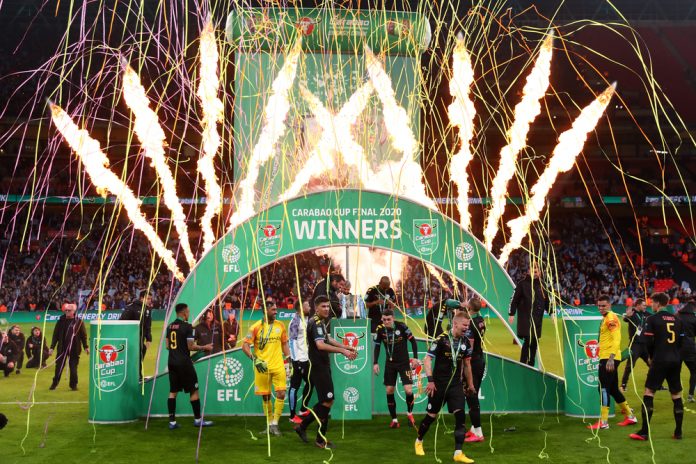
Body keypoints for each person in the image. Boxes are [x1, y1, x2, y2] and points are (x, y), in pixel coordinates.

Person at [294, 295, 357, 449]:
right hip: (318, 366)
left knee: (327, 401)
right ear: (316, 308)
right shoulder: (315, 322)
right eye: (323, 306)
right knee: (327, 401)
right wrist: (343, 351)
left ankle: (307, 430)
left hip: (321, 365)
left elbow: (327, 339)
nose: (327, 309)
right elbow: (321, 345)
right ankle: (317, 437)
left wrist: (346, 346)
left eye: (328, 306)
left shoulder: (319, 321)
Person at [414, 311, 476, 463]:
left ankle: (458, 453)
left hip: (455, 385)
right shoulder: (441, 340)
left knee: (461, 416)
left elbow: (467, 365)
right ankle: (419, 441)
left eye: (468, 325)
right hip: (438, 385)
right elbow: (427, 360)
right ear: (455, 324)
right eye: (464, 325)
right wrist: (430, 380)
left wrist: (471, 385)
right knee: (430, 417)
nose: (466, 328)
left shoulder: (466, 342)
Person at [630, 292, 685, 440]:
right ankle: (678, 432)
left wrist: (651, 357)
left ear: (658, 303)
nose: (651, 305)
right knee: (676, 395)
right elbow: (681, 343)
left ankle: (644, 432)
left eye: (652, 303)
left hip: (660, 360)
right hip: (675, 360)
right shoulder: (678, 320)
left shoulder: (652, 319)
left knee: (649, 392)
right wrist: (675, 355)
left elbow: (648, 342)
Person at [242, 298, 290, 436]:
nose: (276, 311)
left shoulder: (280, 325)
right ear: (265, 311)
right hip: (262, 367)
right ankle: (269, 424)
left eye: (276, 308)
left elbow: (285, 344)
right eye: (273, 309)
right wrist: (254, 359)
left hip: (278, 365)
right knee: (266, 397)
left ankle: (275, 423)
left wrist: (289, 360)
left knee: (281, 393)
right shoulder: (255, 327)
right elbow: (244, 346)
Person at [588, 295, 636, 430]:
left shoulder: (610, 318)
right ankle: (630, 416)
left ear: (609, 305)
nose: (601, 308)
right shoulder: (607, 318)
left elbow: (616, 338)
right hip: (609, 357)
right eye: (599, 305)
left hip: (609, 358)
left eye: (603, 305)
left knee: (603, 388)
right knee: (613, 389)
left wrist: (610, 358)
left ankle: (603, 422)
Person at [166, 302, 214, 430]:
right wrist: (205, 347)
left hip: (172, 362)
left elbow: (167, 346)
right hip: (184, 363)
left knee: (173, 392)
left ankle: (172, 422)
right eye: (188, 311)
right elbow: (191, 346)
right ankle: (198, 420)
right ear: (183, 313)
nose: (189, 314)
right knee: (194, 390)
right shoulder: (188, 327)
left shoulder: (169, 326)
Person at [373, 308, 419, 428]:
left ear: (393, 318)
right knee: (389, 390)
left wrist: (415, 358)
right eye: (384, 319)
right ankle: (394, 420)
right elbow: (377, 346)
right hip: (390, 364)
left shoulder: (402, 326)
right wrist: (375, 362)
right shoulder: (380, 329)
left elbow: (413, 341)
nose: (386, 322)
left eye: (388, 319)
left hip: (404, 363)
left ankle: (409, 413)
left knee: (409, 391)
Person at [508, 265, 550, 366]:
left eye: (536, 272)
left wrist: (551, 312)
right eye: (533, 271)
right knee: (528, 340)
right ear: (528, 272)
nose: (535, 273)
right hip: (526, 318)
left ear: (540, 273)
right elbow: (514, 299)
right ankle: (523, 363)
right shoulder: (522, 284)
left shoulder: (543, 285)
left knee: (535, 341)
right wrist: (512, 313)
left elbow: (547, 301)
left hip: (538, 319)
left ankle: (531, 363)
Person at [49, 303, 88, 390]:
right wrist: (52, 347)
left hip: (74, 349)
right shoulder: (61, 321)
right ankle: (54, 384)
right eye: (66, 310)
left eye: (69, 310)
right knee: (58, 367)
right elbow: (55, 335)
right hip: (62, 348)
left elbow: (83, 335)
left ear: (74, 311)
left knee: (73, 368)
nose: (67, 312)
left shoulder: (78, 322)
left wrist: (86, 347)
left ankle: (73, 385)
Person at [464, 298, 486, 442]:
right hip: (480, 358)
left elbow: (469, 348)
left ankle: (478, 433)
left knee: (471, 396)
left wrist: (465, 364)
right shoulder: (480, 319)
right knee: (472, 395)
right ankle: (473, 428)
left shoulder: (471, 324)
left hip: (473, 362)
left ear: (470, 307)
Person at [288, 299, 313, 424]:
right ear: (301, 308)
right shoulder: (295, 322)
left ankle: (303, 408)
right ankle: (292, 416)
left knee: (310, 383)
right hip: (298, 360)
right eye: (307, 305)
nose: (309, 306)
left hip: (306, 358)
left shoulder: (308, 319)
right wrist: (295, 361)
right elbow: (291, 342)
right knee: (294, 387)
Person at [120, 292, 153, 378]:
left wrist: (149, 339)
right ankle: (136, 376)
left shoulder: (148, 309)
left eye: (150, 299)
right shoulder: (131, 308)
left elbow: (148, 325)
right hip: (131, 338)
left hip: (140, 338)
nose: (150, 301)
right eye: (148, 298)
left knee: (140, 356)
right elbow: (122, 321)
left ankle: (137, 375)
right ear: (142, 298)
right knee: (135, 358)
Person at [621, 298, 651, 391]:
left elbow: (655, 317)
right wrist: (626, 316)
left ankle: (655, 384)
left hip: (645, 345)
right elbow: (625, 318)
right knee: (630, 366)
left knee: (652, 365)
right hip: (635, 345)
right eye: (643, 305)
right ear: (637, 305)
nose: (645, 306)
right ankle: (623, 385)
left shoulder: (646, 314)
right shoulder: (632, 313)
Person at [677, 296, 696, 402]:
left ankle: (676, 394)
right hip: (690, 348)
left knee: (676, 372)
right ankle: (690, 395)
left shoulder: (677, 316)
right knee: (694, 371)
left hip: (677, 347)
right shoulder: (693, 318)